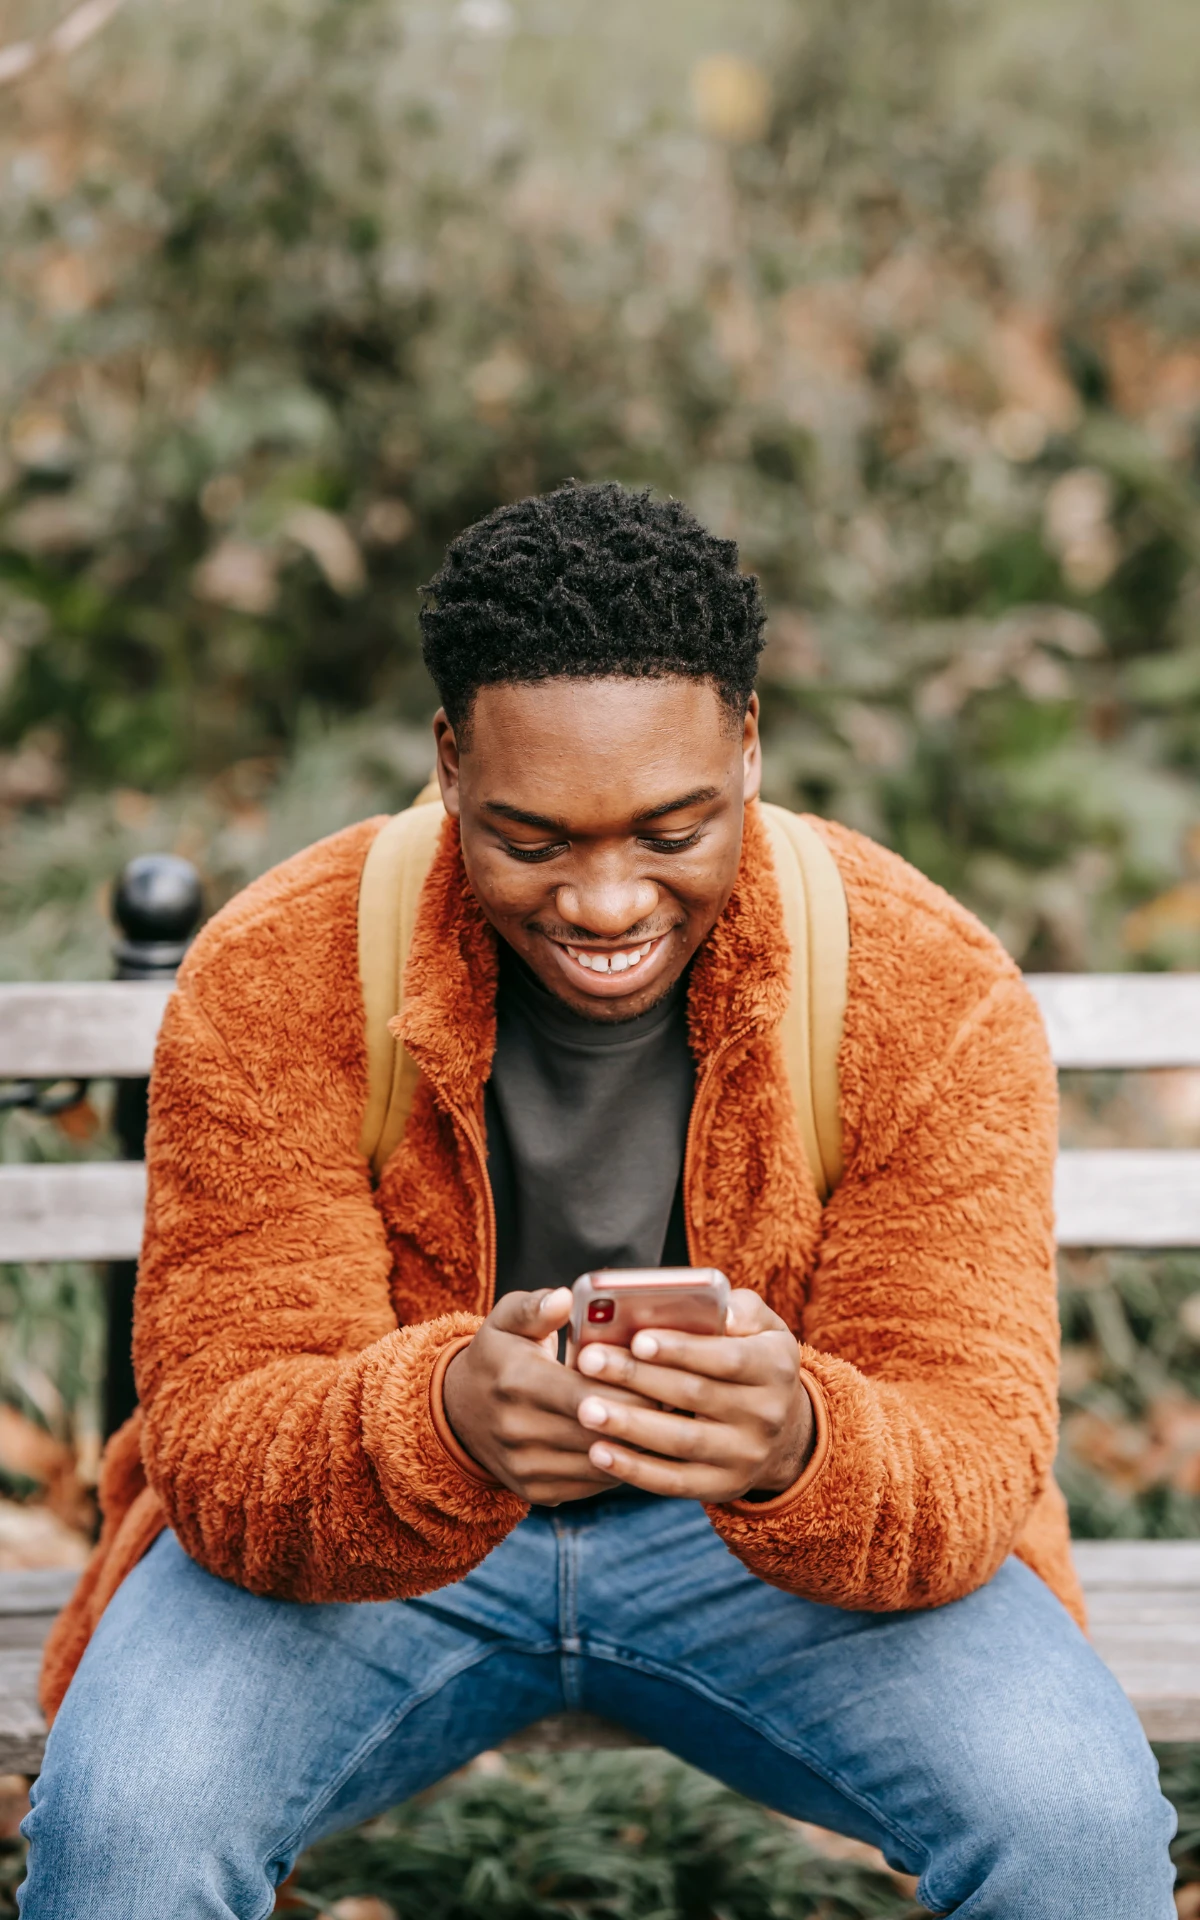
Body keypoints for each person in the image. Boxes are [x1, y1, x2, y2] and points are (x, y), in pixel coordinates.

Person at [20, 483, 1174, 1917]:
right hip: (381, 1557)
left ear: (749, 748)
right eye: (535, 839)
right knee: (129, 1832)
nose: (609, 901)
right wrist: (443, 1419)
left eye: (672, 830)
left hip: (767, 1554)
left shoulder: (922, 989)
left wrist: (796, 1438)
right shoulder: (281, 973)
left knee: (1078, 1829)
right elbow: (219, 1434)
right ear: (449, 762)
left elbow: (972, 1447)